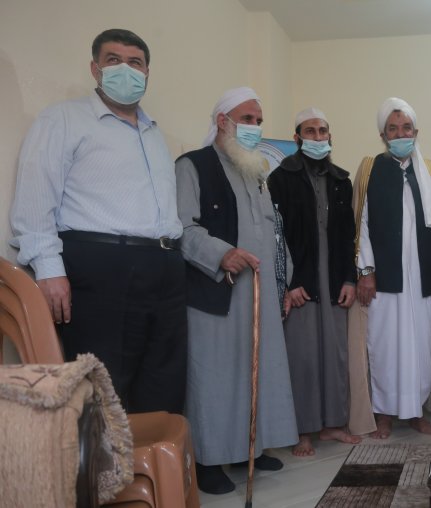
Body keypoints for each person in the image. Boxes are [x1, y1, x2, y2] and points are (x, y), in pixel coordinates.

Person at [9, 29, 186, 413]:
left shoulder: (154, 134)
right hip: (102, 269)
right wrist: (48, 269)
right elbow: (36, 197)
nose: (126, 69)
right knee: (104, 388)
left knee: (164, 383)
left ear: (147, 73)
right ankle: (105, 457)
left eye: (135, 62)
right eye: (113, 60)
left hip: (166, 268)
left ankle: (151, 454)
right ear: (95, 68)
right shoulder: (64, 119)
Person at [175, 87, 298, 494]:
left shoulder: (255, 171)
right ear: (222, 122)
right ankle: (207, 461)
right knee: (214, 377)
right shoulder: (192, 166)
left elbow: (274, 232)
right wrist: (222, 253)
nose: (254, 127)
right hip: (217, 291)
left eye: (258, 121)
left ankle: (250, 448)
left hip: (259, 292)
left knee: (256, 372)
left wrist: (284, 280)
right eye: (247, 119)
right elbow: (182, 228)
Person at [353, 97, 431, 439]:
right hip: (384, 278)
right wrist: (366, 271)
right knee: (384, 346)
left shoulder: (428, 170)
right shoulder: (370, 169)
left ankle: (415, 413)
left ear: (416, 132)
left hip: (421, 276)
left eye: (406, 128)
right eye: (393, 129)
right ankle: (383, 414)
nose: (400, 134)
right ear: (383, 135)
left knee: (421, 347)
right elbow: (362, 224)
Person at [268, 107, 360, 456]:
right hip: (301, 282)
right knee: (303, 356)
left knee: (335, 355)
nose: (318, 137)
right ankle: (303, 429)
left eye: (322, 131)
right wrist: (289, 282)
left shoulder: (341, 180)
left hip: (334, 280)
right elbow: (277, 236)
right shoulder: (280, 178)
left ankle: (333, 424)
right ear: (297, 138)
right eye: (310, 131)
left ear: (329, 137)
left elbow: (348, 235)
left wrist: (349, 279)